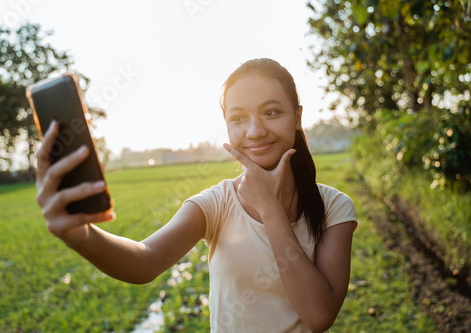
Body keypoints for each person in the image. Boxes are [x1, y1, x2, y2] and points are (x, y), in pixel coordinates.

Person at [35, 58, 358, 333]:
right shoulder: (215, 203)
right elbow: (144, 261)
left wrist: (269, 208)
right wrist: (81, 236)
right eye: (238, 118)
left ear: (298, 117)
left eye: (271, 112)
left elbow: (319, 316)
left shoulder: (335, 207)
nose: (255, 131)